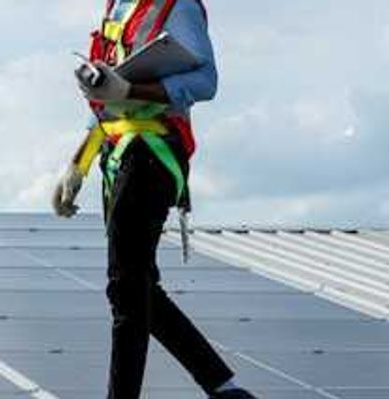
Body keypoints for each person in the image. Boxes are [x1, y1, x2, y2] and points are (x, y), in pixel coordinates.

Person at [51, 1, 257, 398]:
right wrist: (78, 163)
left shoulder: (176, 6)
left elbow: (206, 81)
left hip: (153, 152)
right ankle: (226, 388)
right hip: (120, 153)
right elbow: (105, 96)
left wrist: (129, 89)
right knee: (140, 287)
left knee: (126, 285)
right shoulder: (119, 7)